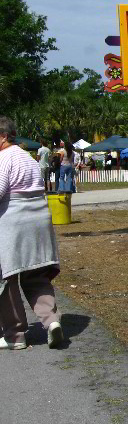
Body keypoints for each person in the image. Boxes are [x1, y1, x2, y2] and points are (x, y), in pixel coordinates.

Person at [0, 116, 63, 349]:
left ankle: (15, 335)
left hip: (13, 222)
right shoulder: (28, 158)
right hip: (39, 219)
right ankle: (52, 322)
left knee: (6, 278)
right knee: (35, 275)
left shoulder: (3, 158)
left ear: (4, 136)